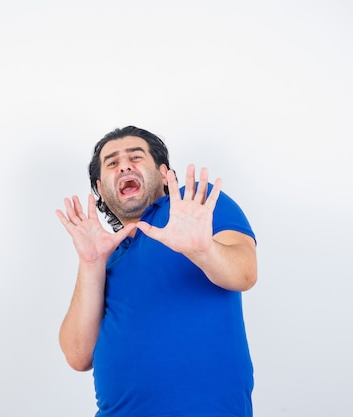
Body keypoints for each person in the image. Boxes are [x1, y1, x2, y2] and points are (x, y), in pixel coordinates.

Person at [56, 126, 257, 417]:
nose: (124, 165)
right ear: (100, 188)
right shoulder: (106, 257)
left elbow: (245, 274)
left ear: (165, 174)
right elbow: (77, 355)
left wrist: (202, 250)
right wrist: (90, 263)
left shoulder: (194, 206)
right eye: (112, 163)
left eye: (135, 157)